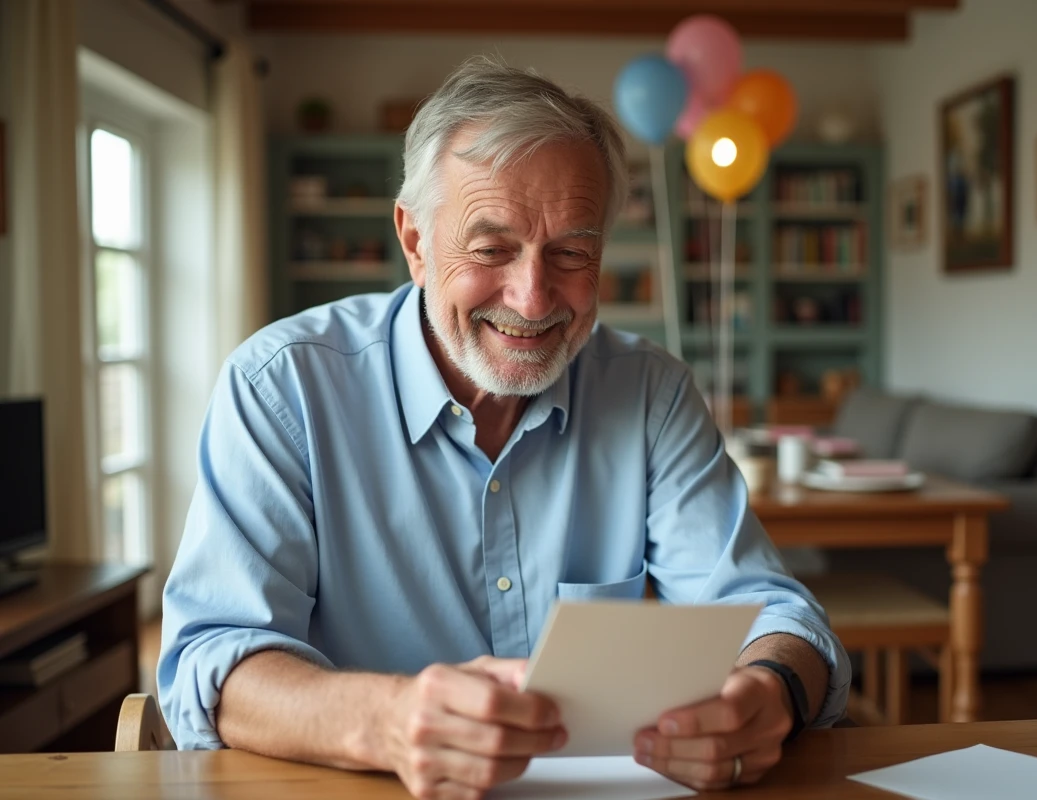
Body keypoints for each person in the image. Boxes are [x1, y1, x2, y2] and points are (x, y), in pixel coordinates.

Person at [158, 56, 849, 799]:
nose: (532, 296)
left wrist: (770, 692)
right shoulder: (282, 387)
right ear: (415, 242)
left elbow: (773, 614)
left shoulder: (650, 392)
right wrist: (390, 719)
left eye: (571, 253)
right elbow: (216, 662)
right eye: (490, 250)